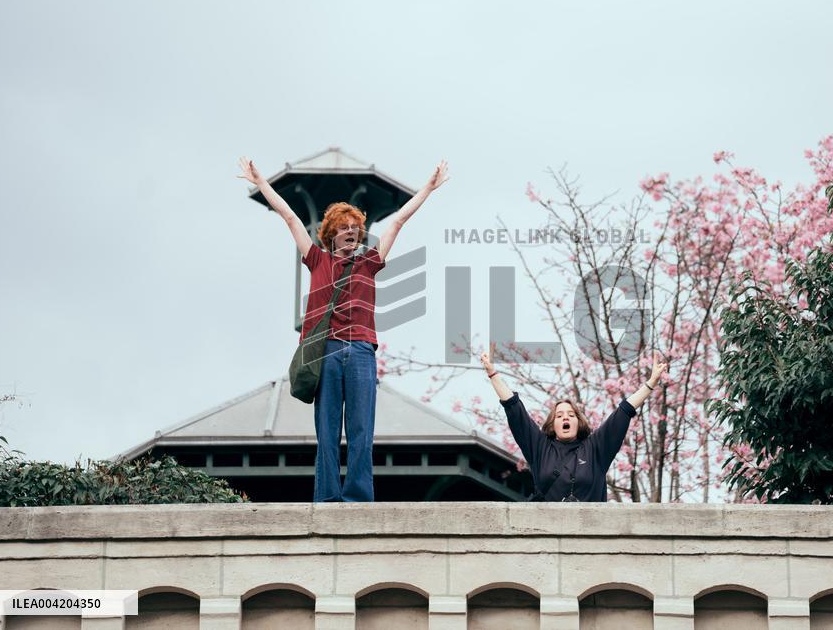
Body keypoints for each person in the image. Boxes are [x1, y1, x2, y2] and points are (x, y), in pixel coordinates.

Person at [237, 156, 450, 501]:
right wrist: (262, 183)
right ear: (331, 234)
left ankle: (358, 497)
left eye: (355, 227)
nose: (351, 231)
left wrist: (427, 188)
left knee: (362, 429)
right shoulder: (317, 260)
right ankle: (327, 498)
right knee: (328, 429)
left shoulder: (369, 262)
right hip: (329, 352)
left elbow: (398, 222)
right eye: (343, 227)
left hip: (363, 351)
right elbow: (290, 217)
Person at [480, 345, 667, 501]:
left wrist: (651, 383)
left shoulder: (595, 449)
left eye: (571, 414)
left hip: (590, 535)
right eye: (559, 416)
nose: (566, 418)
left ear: (579, 422)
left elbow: (624, 412)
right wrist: (492, 373)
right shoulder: (540, 449)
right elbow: (514, 409)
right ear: (552, 425)